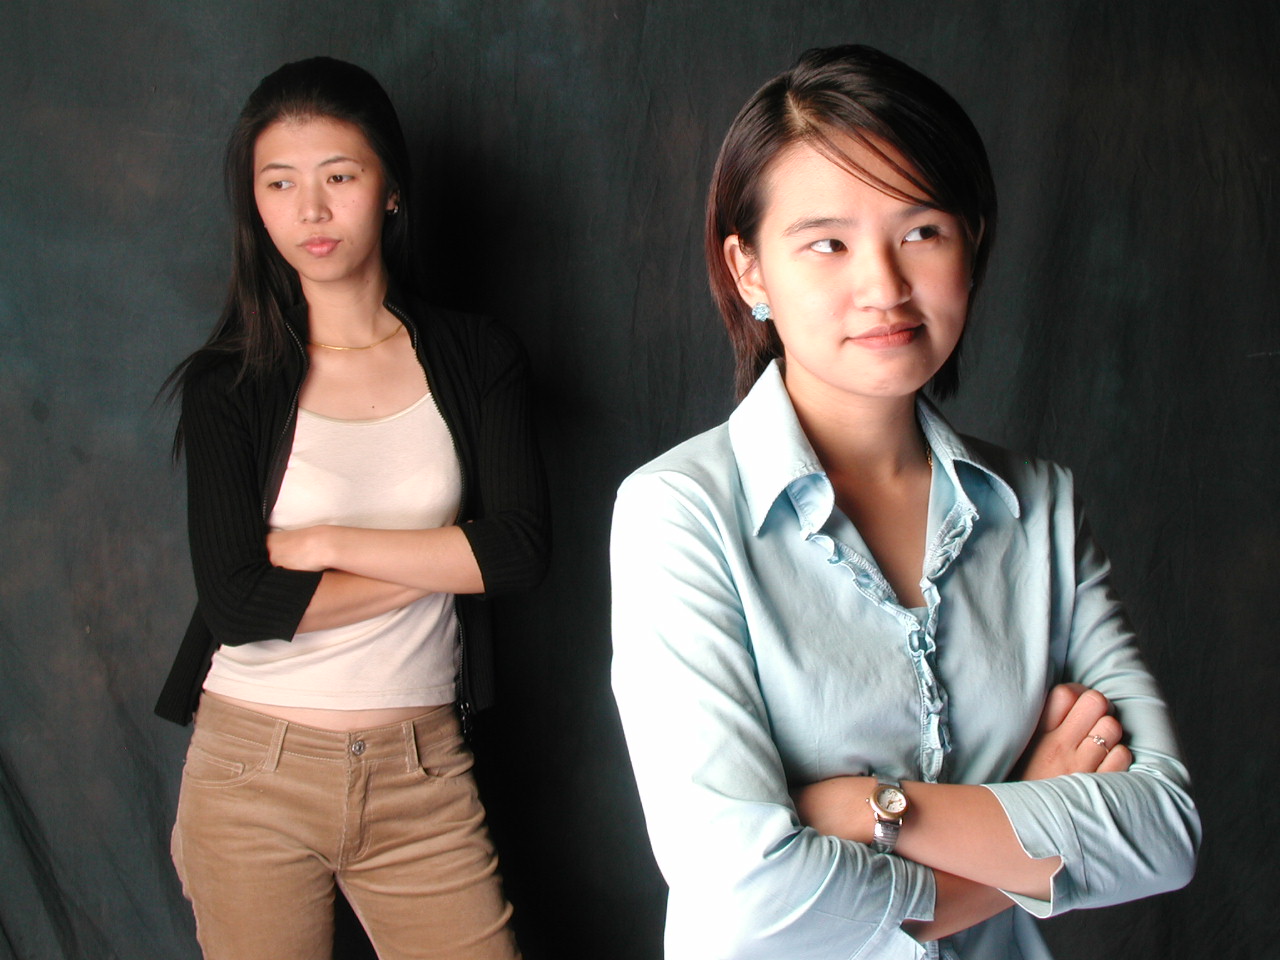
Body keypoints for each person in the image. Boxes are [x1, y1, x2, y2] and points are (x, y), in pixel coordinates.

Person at [610, 44, 1198, 960]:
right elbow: (745, 898)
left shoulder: (1041, 506)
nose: (884, 286)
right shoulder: (679, 514)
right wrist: (1026, 812)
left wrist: (877, 810)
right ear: (750, 269)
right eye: (828, 243)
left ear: (973, 242)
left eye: (922, 231)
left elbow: (1162, 832)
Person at [154, 57, 548, 960]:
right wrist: (448, 558)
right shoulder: (228, 384)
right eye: (279, 183)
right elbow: (240, 604)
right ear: (256, 206)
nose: (311, 210)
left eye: (339, 176)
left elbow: (522, 553)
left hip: (422, 767)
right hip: (253, 767)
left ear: (391, 189)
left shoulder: (478, 357)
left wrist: (327, 542)